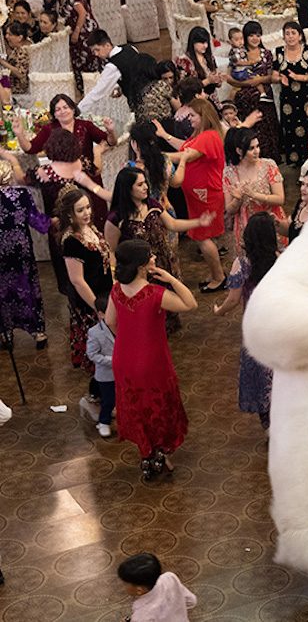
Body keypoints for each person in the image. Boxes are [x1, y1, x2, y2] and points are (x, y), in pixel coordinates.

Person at [107, 239, 196, 479]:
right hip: (152, 361)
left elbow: (110, 321)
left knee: (137, 407)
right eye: (150, 256)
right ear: (141, 266)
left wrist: (129, 339)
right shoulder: (155, 294)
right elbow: (190, 303)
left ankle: (147, 453)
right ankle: (160, 452)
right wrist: (172, 279)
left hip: (123, 359)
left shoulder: (116, 290)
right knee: (159, 406)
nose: (154, 258)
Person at [104, 166, 212, 331]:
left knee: (168, 300)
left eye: (145, 183)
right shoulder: (116, 219)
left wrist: (198, 222)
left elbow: (173, 224)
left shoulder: (151, 204)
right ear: (127, 188)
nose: (146, 187)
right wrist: (115, 279)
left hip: (162, 262)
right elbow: (112, 250)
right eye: (140, 185)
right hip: (139, 269)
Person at [18, 129, 111, 301]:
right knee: (88, 259)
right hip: (83, 224)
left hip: (58, 227)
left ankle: (72, 294)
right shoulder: (81, 164)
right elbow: (97, 174)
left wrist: (12, 162)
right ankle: (91, 293)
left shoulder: (43, 172)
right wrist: (98, 152)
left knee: (66, 266)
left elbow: (21, 180)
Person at [213, 213, 279, 431]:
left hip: (256, 329)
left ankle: (268, 423)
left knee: (261, 375)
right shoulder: (282, 260)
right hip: (280, 325)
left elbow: (232, 299)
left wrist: (219, 311)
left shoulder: (241, 264)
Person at [158, 98, 227, 292]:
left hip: (205, 193)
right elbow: (185, 147)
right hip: (199, 193)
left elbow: (186, 155)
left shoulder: (209, 136)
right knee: (203, 236)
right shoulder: (202, 134)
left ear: (203, 116)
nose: (190, 119)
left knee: (202, 237)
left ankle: (219, 277)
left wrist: (157, 156)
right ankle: (216, 273)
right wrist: (165, 136)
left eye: (193, 116)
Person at [57, 188, 114, 377]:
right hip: (90, 299)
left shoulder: (90, 228)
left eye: (88, 207)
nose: (87, 213)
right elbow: (77, 280)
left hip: (105, 291)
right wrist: (97, 307)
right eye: (80, 210)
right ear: (69, 214)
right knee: (100, 347)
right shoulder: (71, 241)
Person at [0, 161, 50, 350]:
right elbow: (38, 222)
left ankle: (6, 334)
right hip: (21, 252)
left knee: (3, 292)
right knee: (28, 286)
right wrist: (51, 222)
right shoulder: (21, 195)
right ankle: (38, 332)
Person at [223, 128, 287, 254]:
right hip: (246, 228)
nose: (256, 151)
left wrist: (255, 195)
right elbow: (229, 210)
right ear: (239, 151)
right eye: (251, 148)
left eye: (257, 146)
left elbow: (280, 199)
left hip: (270, 223)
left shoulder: (268, 165)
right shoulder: (229, 173)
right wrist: (237, 199)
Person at [14, 93, 116, 164]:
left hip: (88, 175)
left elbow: (110, 142)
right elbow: (30, 149)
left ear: (73, 109)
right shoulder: (49, 129)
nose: (62, 111)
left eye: (65, 107)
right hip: (62, 178)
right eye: (58, 109)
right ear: (54, 114)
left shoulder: (86, 126)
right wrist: (19, 134)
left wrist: (110, 131)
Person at [229, 21, 281, 162]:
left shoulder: (267, 53)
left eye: (258, 35)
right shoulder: (239, 54)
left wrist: (259, 80)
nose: (255, 38)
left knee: (267, 129)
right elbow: (229, 77)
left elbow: (272, 77)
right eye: (251, 35)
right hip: (245, 100)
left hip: (264, 97)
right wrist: (248, 83)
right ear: (245, 37)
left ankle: (269, 160)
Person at [40, 0, 101, 90]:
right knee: (78, 61)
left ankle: (92, 87)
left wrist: (76, 32)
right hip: (74, 35)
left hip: (84, 33)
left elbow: (82, 13)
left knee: (88, 59)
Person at [78, 31, 157, 116]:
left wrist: (77, 110)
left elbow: (97, 93)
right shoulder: (130, 48)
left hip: (140, 103)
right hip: (155, 92)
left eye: (97, 50)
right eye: (94, 52)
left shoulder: (112, 67)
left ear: (107, 45)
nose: (96, 54)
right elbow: (133, 72)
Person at [274, 21, 308, 166]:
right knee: (290, 128)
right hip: (288, 99)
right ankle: (294, 162)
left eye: (293, 33)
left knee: (307, 128)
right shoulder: (279, 52)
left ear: (300, 36)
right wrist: (281, 77)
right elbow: (273, 75)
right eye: (287, 33)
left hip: (306, 98)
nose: (290, 36)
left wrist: (300, 78)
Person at [118, 552, 197, 621]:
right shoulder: (170, 577)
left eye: (125, 583)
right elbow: (192, 601)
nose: (123, 586)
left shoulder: (142, 616)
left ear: (139, 590)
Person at [85, 293, 116, 438]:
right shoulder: (95, 333)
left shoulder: (123, 325)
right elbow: (92, 354)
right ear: (101, 314)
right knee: (108, 400)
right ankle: (104, 422)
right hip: (107, 375)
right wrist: (112, 360)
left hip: (124, 372)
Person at [175, 26, 225, 111]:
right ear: (193, 42)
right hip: (195, 103)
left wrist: (218, 80)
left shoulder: (209, 57)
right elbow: (184, 88)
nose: (205, 45)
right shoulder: (184, 61)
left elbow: (216, 81)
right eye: (202, 42)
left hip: (212, 100)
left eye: (206, 42)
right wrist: (207, 81)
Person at [277, 165, 308, 244]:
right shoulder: (302, 204)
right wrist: (277, 223)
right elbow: (290, 230)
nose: (303, 189)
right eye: (303, 184)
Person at [0, 21, 31, 96]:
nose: (6, 37)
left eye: (10, 34)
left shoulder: (24, 50)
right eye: (6, 34)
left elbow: (20, 74)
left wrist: (2, 62)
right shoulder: (16, 49)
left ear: (20, 37)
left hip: (20, 93)